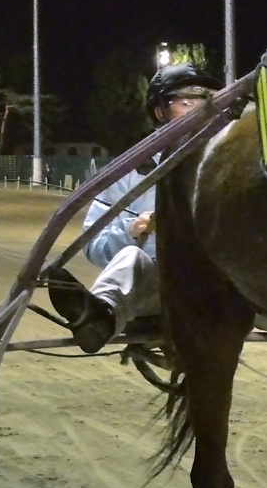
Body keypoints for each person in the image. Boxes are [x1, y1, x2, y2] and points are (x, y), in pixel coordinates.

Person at [68, 62, 219, 352]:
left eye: (210, 101)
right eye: (187, 102)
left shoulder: (234, 167)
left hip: (226, 287)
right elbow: (92, 242)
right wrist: (131, 230)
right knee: (130, 259)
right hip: (164, 288)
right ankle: (99, 317)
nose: (201, 111)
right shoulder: (131, 171)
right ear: (160, 112)